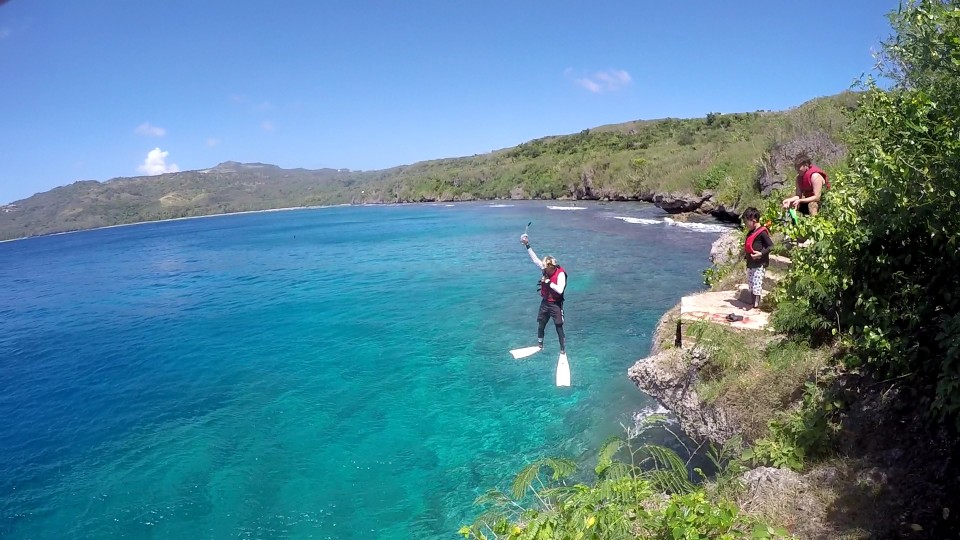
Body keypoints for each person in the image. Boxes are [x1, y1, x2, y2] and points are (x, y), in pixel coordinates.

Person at [520, 233, 566, 354]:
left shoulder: (560, 273)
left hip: (556, 304)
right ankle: (540, 344)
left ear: (552, 266)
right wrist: (527, 245)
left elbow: (560, 290)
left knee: (558, 326)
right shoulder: (545, 268)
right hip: (545, 302)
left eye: (546, 268)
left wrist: (548, 281)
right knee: (541, 323)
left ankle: (562, 350)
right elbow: (535, 259)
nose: (544, 269)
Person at [742, 207, 774, 310]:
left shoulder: (762, 232)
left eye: (746, 222)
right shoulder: (751, 232)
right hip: (751, 264)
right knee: (751, 285)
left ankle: (756, 306)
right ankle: (752, 304)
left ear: (753, 220)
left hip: (759, 264)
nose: (745, 224)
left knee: (756, 285)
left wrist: (760, 253)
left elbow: (771, 246)